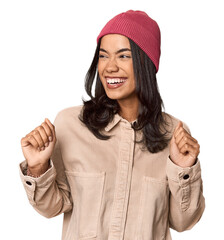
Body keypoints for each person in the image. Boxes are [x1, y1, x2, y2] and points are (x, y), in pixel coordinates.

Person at [20, 10, 205, 240]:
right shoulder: (70, 125)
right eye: (104, 55)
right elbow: (52, 207)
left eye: (124, 56)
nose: (110, 67)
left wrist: (183, 169)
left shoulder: (174, 134)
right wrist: (38, 168)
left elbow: (183, 222)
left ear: (145, 62)